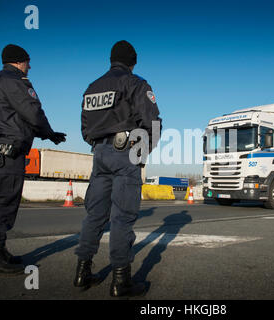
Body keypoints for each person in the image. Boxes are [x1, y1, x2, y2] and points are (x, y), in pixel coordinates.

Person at [74, 40, 161, 297]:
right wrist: (142, 151)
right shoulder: (136, 84)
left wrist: (99, 144)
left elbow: (84, 128)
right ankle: (120, 281)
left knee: (94, 215)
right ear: (132, 62)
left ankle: (82, 272)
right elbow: (153, 123)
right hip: (125, 153)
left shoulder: (92, 88)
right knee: (122, 216)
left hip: (99, 153)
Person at [0, 44, 66, 274]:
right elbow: (32, 112)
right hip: (9, 150)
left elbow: (15, 117)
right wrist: (49, 133)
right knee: (4, 201)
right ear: (18, 62)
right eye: (27, 61)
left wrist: (44, 134)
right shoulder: (15, 82)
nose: (30, 66)